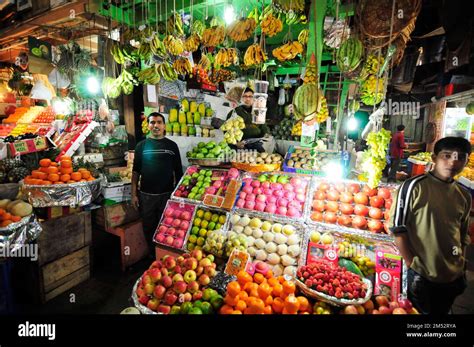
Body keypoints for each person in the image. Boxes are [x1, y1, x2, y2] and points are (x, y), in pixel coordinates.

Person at [389, 137, 471, 314]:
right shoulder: (412, 187)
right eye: (447, 155)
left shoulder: (464, 195)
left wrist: (461, 264)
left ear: (466, 161)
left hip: (453, 276)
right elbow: (398, 230)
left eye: (460, 157)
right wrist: (413, 264)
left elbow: (463, 235)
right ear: (434, 158)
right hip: (423, 275)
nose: (453, 161)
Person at [132, 113, 183, 253]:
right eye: (152, 122)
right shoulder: (141, 146)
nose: (156, 125)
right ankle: (152, 255)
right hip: (146, 196)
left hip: (167, 195)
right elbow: (135, 171)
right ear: (148, 125)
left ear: (164, 125)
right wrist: (133, 194)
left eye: (159, 122)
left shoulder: (172, 146)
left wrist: (178, 196)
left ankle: (164, 253)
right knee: (148, 227)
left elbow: (178, 172)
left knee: (167, 226)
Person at [226, 87, 270, 152]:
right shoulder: (234, 113)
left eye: (250, 96)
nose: (248, 99)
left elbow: (264, 128)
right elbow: (227, 132)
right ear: (241, 98)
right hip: (239, 146)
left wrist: (266, 134)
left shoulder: (258, 112)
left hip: (256, 145)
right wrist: (236, 143)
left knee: (263, 157)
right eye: (245, 96)